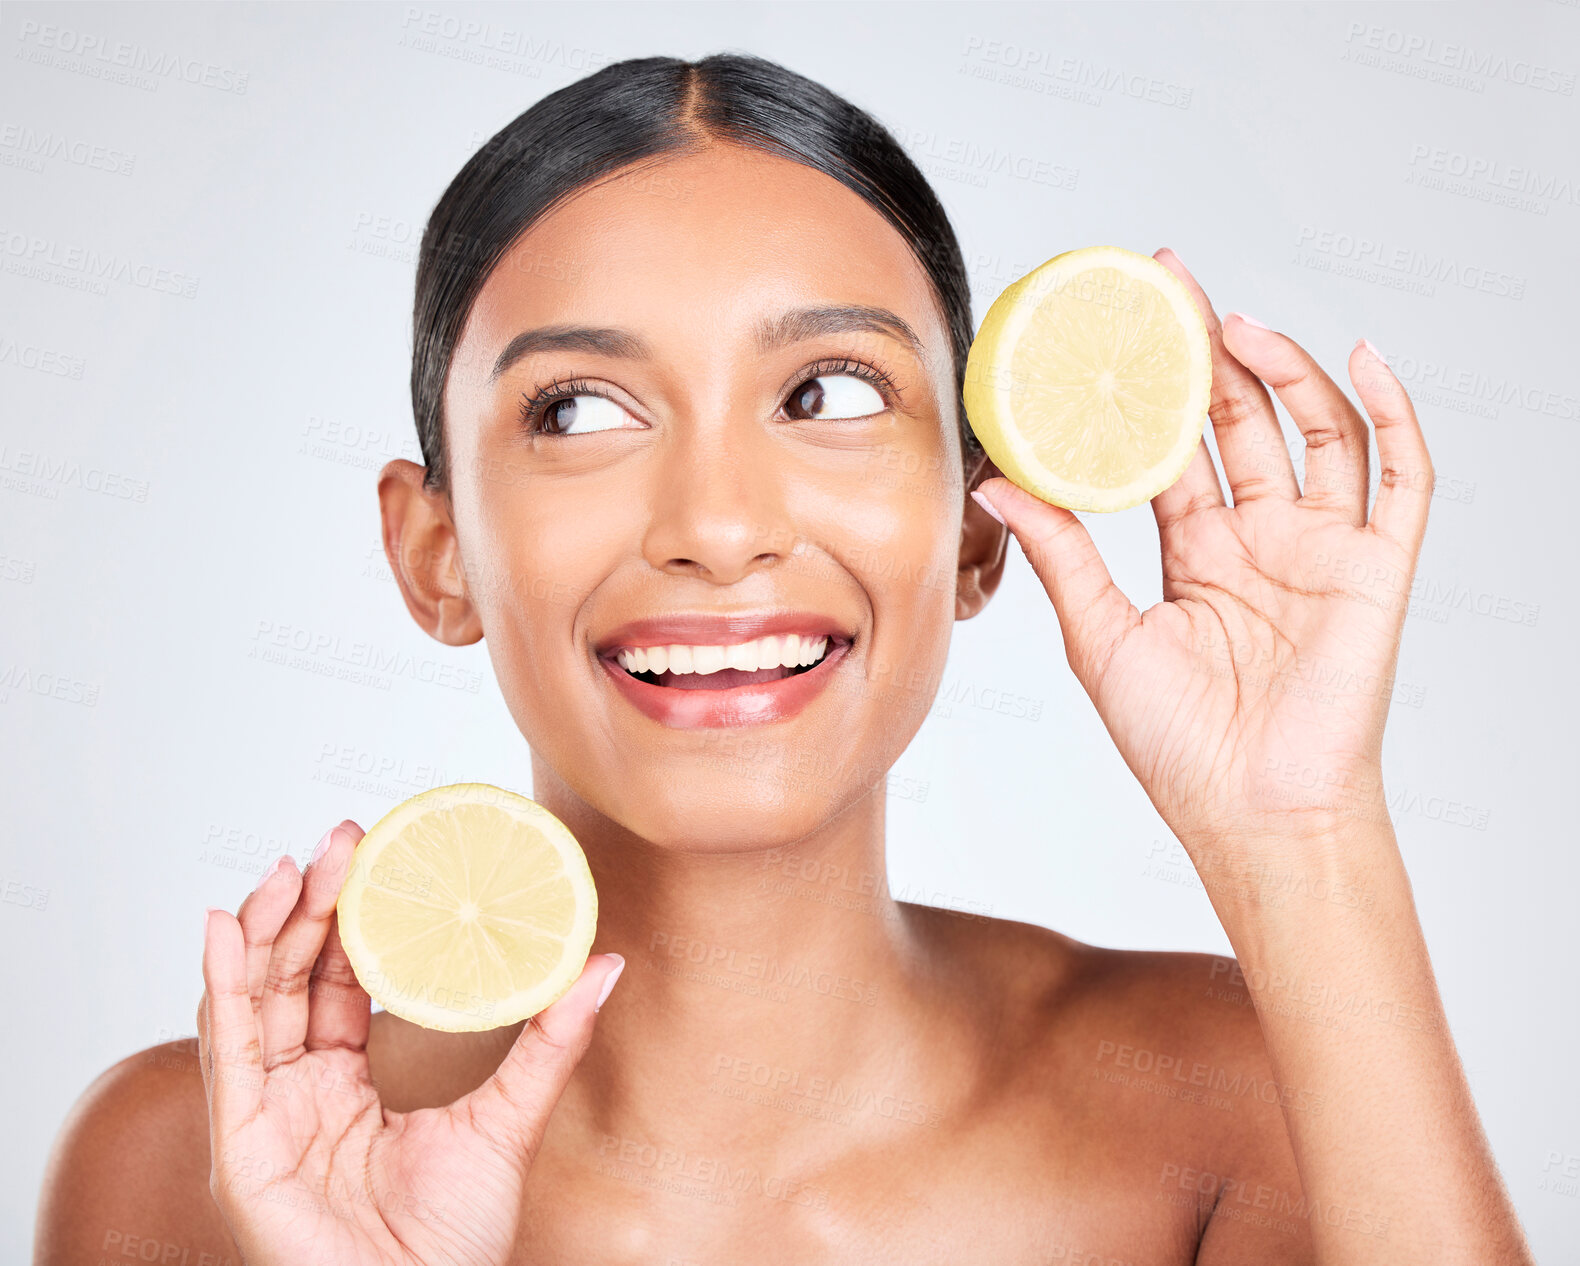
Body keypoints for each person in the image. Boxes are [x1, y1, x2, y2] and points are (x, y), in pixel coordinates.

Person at [35, 53, 1533, 1265]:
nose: (720, 523)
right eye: (580, 410)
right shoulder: (192, 1168)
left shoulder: (1234, 1105)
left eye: (826, 391)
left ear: (974, 529)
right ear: (436, 552)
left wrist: (1304, 832)